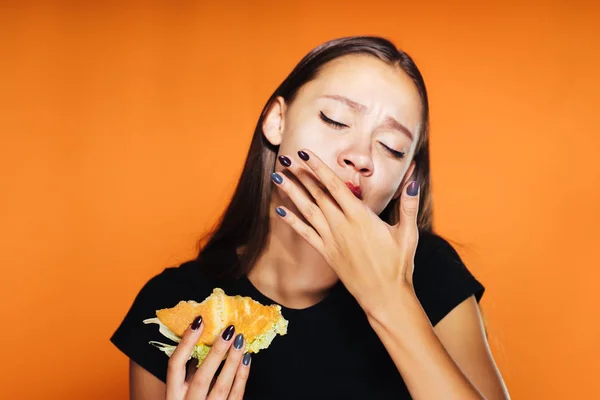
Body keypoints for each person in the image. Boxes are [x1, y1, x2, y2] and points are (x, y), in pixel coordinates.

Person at [110, 36, 510, 399]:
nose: (361, 156)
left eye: (391, 147)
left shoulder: (430, 273)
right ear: (276, 121)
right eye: (335, 120)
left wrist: (389, 299)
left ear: (407, 177)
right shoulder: (173, 305)